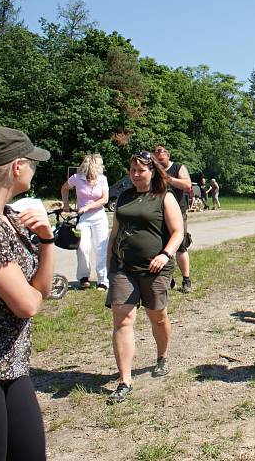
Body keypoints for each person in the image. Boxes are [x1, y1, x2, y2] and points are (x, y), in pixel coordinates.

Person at [0, 127, 54, 460]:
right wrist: (34, 295)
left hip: (11, 365)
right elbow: (27, 304)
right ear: (17, 167)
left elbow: (41, 288)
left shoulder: (10, 218)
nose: (34, 169)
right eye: (32, 162)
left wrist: (46, 239)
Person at [105, 150, 184, 404]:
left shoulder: (164, 196)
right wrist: (109, 266)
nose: (136, 175)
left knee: (157, 317)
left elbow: (178, 232)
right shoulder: (124, 197)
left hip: (154, 268)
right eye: (132, 171)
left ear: (152, 172)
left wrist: (165, 254)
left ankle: (162, 356)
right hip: (123, 267)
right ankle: (124, 380)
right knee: (123, 318)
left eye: (141, 170)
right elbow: (115, 232)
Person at [60, 153, 110, 290]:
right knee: (82, 247)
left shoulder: (102, 179)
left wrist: (87, 207)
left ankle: (103, 280)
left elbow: (105, 200)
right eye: (99, 166)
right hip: (83, 218)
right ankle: (83, 277)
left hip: (99, 217)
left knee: (101, 249)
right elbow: (64, 188)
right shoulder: (77, 178)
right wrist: (65, 204)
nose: (101, 168)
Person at [153, 145, 194, 292]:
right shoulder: (152, 169)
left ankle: (186, 280)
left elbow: (187, 184)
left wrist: (167, 178)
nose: (158, 154)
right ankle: (169, 279)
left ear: (168, 155)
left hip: (178, 212)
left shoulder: (177, 167)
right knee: (162, 245)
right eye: (155, 152)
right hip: (158, 212)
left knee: (180, 245)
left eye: (161, 151)